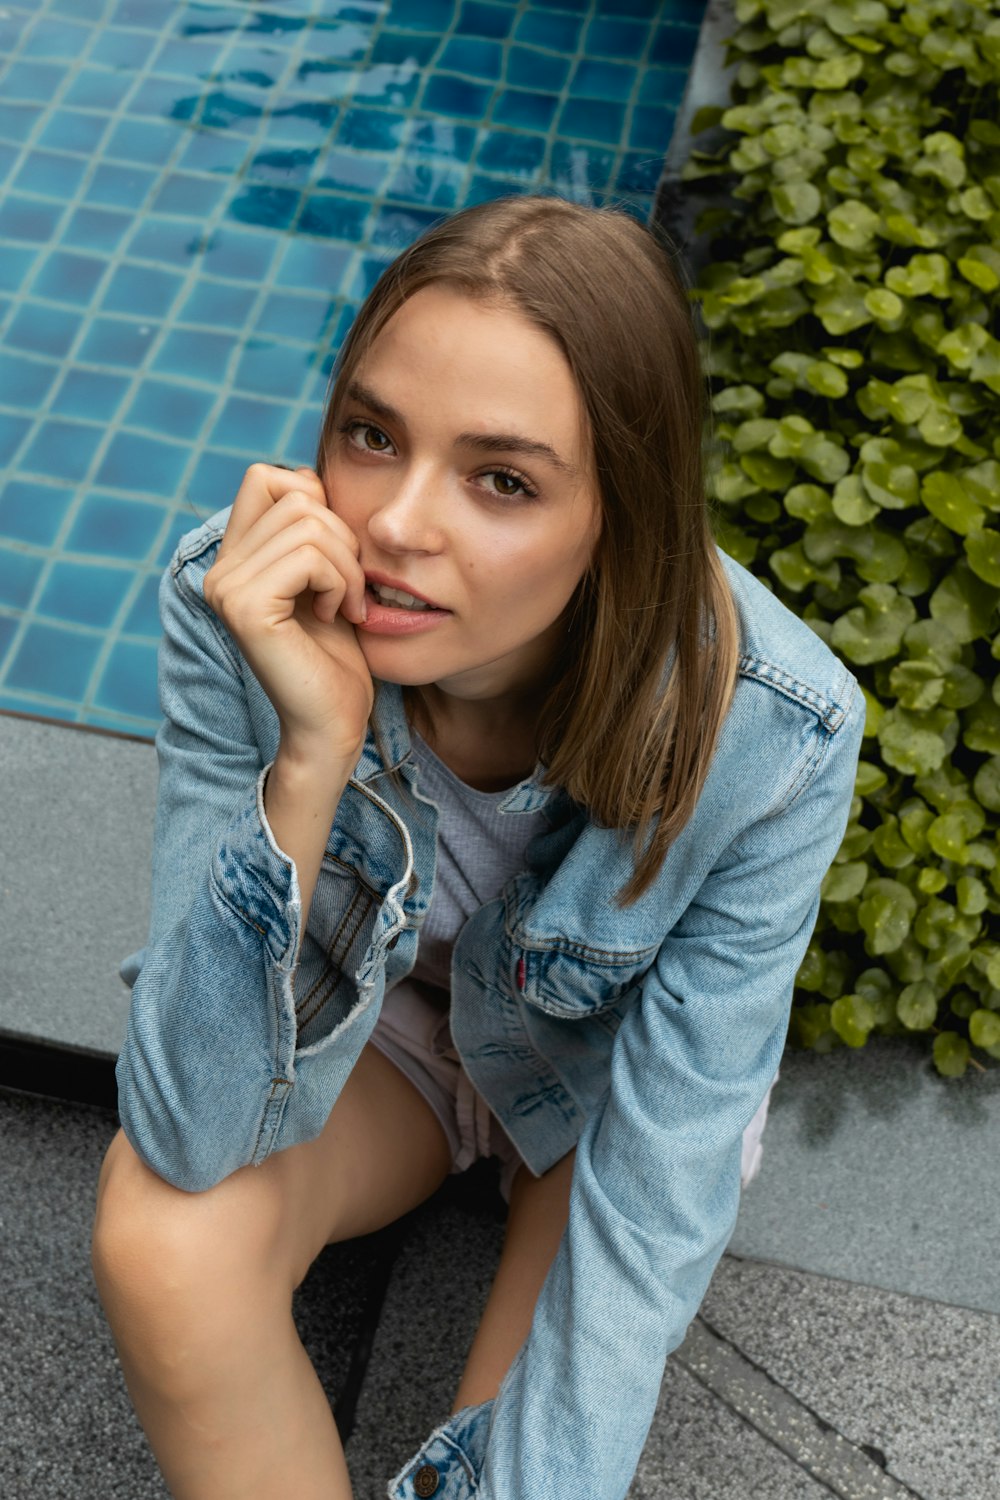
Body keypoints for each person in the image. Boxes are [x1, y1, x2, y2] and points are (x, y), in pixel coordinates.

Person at [92, 195, 864, 1500]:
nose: (396, 523)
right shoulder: (234, 606)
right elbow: (187, 1120)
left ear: (625, 511)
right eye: (372, 435)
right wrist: (309, 754)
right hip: (377, 1042)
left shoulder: (773, 736)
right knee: (161, 1235)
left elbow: (644, 1231)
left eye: (501, 479)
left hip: (596, 1089)